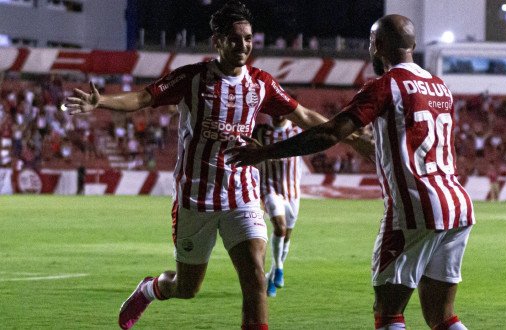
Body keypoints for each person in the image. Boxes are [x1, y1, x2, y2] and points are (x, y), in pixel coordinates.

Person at [65, 1, 368, 329]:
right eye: (235, 39)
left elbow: (305, 116)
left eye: (249, 39)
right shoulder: (192, 78)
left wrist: (351, 138)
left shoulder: (261, 83)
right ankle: (150, 289)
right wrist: (102, 101)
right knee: (186, 287)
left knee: (254, 276)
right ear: (218, 41)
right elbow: (142, 98)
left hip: (243, 193)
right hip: (197, 197)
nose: (243, 46)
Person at [226, 14, 475, 330]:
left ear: (377, 45)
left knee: (388, 314)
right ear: (412, 45)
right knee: (442, 317)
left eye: (372, 42)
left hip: (415, 208)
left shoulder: (385, 86)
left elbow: (330, 133)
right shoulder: (441, 88)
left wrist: (264, 152)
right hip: (457, 206)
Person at [253, 116, 302, 297]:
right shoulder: (262, 132)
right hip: (270, 188)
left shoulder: (297, 131)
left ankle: (272, 277)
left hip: (292, 192)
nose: (278, 114)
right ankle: (279, 269)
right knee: (279, 228)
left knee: (286, 237)